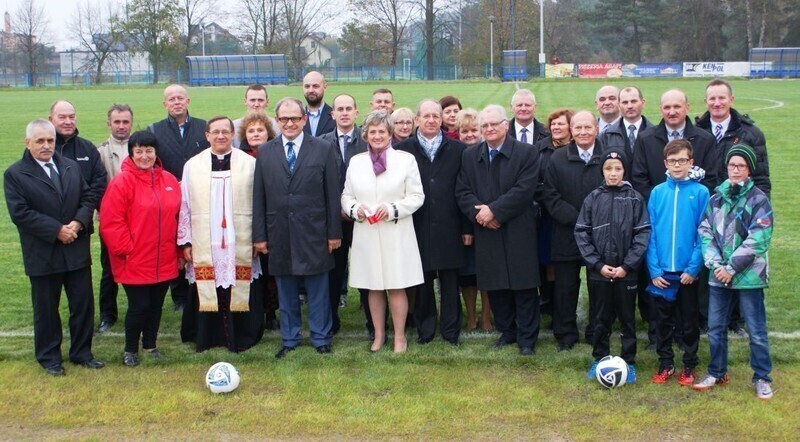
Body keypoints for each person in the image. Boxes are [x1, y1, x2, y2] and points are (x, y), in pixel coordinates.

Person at [4, 119, 104, 376]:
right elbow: (21, 213)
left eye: (50, 140)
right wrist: (56, 230)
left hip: (75, 247)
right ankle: (49, 357)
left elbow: (87, 197)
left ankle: (82, 353)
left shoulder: (70, 167)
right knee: (46, 309)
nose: (47, 145)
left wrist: (78, 223)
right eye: (40, 141)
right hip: (43, 253)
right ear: (28, 143)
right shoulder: (15, 174)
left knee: (82, 304)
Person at [253, 97, 342, 358]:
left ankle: (321, 337)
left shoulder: (323, 148)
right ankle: (290, 338)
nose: (289, 123)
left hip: (314, 231)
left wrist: (334, 233)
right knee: (286, 289)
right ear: (277, 121)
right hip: (278, 231)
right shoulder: (266, 151)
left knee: (318, 290)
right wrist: (260, 236)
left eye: (295, 118)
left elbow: (332, 193)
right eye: (284, 119)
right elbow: (259, 196)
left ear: (304, 119)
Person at [456, 104, 541, 356]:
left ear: (506, 125)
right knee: (496, 284)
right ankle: (507, 332)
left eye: (494, 124)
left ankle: (527, 338)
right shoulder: (470, 155)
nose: (489, 129)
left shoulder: (527, 152)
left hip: (518, 228)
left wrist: (494, 211)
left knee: (523, 285)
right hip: (486, 229)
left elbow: (524, 189)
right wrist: (480, 214)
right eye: (485, 125)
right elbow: (462, 190)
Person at [693, 144, 775, 400]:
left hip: (748, 278)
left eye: (741, 166)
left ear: (749, 169)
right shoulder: (716, 197)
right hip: (718, 276)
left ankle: (762, 377)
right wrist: (716, 265)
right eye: (732, 165)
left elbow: (759, 239)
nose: (736, 170)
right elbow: (705, 231)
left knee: (756, 331)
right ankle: (716, 372)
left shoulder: (759, 199)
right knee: (715, 328)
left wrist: (731, 268)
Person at [341, 110, 425, 353]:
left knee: (397, 285)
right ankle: (379, 335)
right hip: (367, 231)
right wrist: (356, 209)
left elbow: (417, 196)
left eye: (382, 131)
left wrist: (392, 209)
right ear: (365, 134)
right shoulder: (356, 162)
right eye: (372, 131)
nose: (377, 136)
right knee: (373, 286)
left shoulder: (405, 160)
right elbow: (346, 195)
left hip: (396, 232)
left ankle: (399, 336)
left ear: (390, 134)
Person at [178, 116, 264, 353]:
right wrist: (185, 240)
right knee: (207, 283)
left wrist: (258, 236)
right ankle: (206, 335)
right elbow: (184, 204)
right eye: (215, 132)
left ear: (233, 134)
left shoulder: (249, 164)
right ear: (207, 136)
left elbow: (259, 203)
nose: (221, 136)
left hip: (240, 238)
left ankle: (244, 334)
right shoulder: (192, 166)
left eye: (225, 131)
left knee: (240, 281)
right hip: (206, 239)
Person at [696, 78, 772, 337]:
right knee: (713, 259)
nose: (717, 103)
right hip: (711, 208)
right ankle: (708, 317)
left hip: (743, 208)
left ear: (731, 99)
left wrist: (762, 210)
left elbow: (761, 177)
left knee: (740, 258)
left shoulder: (750, 133)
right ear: (705, 102)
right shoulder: (697, 130)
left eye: (722, 98)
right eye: (712, 98)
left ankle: (736, 320)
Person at [99, 131, 181, 367]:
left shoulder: (169, 181)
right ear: (132, 154)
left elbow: (178, 218)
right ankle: (130, 350)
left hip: (164, 258)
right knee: (139, 306)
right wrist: (127, 250)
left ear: (156, 153)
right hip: (135, 259)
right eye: (139, 152)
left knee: (156, 306)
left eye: (149, 151)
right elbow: (111, 222)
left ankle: (150, 346)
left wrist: (177, 252)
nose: (144, 156)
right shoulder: (122, 182)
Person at [396, 99, 469, 346]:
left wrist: (466, 227)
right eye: (425, 116)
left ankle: (450, 331)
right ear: (417, 119)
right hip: (415, 225)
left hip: (450, 225)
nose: (431, 120)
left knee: (450, 281)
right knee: (422, 280)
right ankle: (425, 329)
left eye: (435, 116)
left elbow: (464, 190)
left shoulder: (458, 149)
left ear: (442, 120)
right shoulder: (403, 150)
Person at [576, 148, 650, 384]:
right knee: (600, 318)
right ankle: (599, 357)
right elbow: (582, 233)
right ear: (602, 171)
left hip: (626, 274)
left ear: (624, 171)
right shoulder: (593, 198)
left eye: (618, 169)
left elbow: (642, 234)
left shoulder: (634, 198)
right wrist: (597, 264)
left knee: (627, 318)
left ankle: (628, 361)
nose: (613, 173)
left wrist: (627, 266)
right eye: (608, 169)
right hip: (599, 273)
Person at [540, 110, 606, 351]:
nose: (583, 132)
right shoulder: (557, 158)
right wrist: (578, 220)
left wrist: (596, 221)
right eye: (577, 128)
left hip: (601, 234)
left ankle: (597, 331)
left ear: (596, 128)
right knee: (565, 286)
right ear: (571, 130)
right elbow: (550, 195)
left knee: (598, 284)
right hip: (566, 232)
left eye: (587, 127)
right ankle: (565, 335)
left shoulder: (607, 156)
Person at [646, 140, 710, 386]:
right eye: (672, 161)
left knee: (689, 321)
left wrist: (693, 268)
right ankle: (665, 363)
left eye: (682, 160)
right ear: (665, 164)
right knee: (662, 321)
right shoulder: (658, 192)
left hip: (687, 274)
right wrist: (653, 269)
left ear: (690, 162)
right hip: (662, 273)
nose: (677, 165)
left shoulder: (700, 192)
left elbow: (703, 233)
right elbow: (650, 233)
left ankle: (689, 364)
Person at [148, 84, 210, 313]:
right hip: (170, 198)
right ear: (165, 104)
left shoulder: (204, 127)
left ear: (188, 101)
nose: (176, 102)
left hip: (201, 196)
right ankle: (179, 294)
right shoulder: (154, 130)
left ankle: (200, 288)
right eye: (171, 99)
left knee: (199, 241)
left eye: (180, 98)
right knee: (175, 243)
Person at [319, 93, 369, 335]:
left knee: (367, 271)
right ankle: (330, 323)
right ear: (333, 113)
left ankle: (373, 322)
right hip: (333, 221)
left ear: (356, 112)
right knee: (332, 273)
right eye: (340, 108)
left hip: (363, 219)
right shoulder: (321, 142)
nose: (345, 112)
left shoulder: (368, 141)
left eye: (349, 108)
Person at [631, 89, 717, 201]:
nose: (672, 112)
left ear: (687, 107)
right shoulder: (645, 139)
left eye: (677, 107)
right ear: (660, 109)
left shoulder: (705, 139)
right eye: (667, 107)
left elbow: (711, 178)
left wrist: (690, 199)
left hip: (693, 207)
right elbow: (639, 178)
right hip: (659, 206)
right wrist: (660, 199)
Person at [236, 112, 280, 331]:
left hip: (272, 219)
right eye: (251, 130)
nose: (255, 134)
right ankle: (250, 310)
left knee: (270, 269)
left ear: (268, 133)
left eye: (260, 130)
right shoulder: (238, 157)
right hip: (245, 218)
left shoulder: (276, 153)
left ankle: (271, 312)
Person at [95, 103, 133, 334]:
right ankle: (108, 315)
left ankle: (140, 311)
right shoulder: (99, 152)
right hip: (112, 222)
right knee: (109, 269)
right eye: (117, 121)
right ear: (109, 123)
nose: (121, 126)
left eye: (125, 121)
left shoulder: (141, 148)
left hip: (138, 221)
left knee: (138, 267)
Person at [455, 108, 493, 331]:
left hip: (489, 221)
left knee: (486, 273)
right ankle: (471, 316)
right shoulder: (457, 154)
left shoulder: (488, 152)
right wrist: (466, 225)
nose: (469, 135)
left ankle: (487, 316)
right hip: (464, 223)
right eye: (464, 131)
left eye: (474, 130)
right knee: (467, 275)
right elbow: (460, 193)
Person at [535, 108, 575, 314]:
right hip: (547, 214)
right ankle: (549, 302)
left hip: (570, 214)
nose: (556, 127)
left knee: (567, 265)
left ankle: (564, 304)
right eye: (553, 124)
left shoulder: (576, 148)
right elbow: (536, 182)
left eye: (561, 124)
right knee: (548, 261)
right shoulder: (540, 149)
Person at [601, 86, 653, 153]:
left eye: (633, 101)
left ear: (643, 103)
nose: (629, 106)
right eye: (625, 102)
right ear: (619, 105)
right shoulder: (607, 135)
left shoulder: (655, 133)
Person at [232, 84, 280, 148]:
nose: (256, 104)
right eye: (252, 100)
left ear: (267, 102)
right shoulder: (234, 126)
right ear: (245, 101)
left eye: (260, 100)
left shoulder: (278, 126)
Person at [302, 71, 336, 137]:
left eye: (315, 86)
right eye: (307, 86)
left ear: (325, 87)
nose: (311, 90)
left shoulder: (335, 117)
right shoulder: (297, 118)